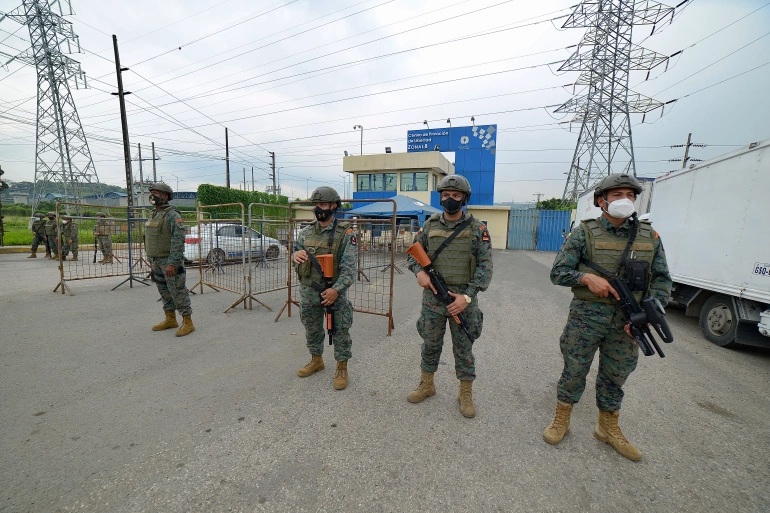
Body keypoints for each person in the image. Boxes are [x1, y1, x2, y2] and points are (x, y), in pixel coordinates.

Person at [543, 173, 672, 461]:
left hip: (629, 323)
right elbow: (558, 272)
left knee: (616, 376)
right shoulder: (583, 233)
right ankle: (561, 418)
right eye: (617, 195)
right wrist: (587, 278)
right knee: (574, 370)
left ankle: (607, 427)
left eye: (630, 195)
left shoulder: (648, 236)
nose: (625, 200)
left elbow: (662, 279)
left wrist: (652, 312)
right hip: (586, 318)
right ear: (601, 200)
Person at [405, 175, 493, 418]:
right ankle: (427, 384)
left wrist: (467, 297)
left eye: (456, 195)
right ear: (440, 196)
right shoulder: (430, 225)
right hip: (433, 297)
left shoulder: (478, 229)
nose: (450, 199)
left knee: (463, 347)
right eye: (446, 194)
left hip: (462, 299)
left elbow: (485, 267)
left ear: (464, 198)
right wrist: (419, 272)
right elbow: (412, 255)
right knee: (430, 343)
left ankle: (465, 392)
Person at [292, 186, 357, 390]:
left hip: (334, 292)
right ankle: (316, 359)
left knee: (340, 330)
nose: (319, 208)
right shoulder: (305, 232)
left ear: (334, 205)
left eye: (324, 204)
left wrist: (336, 290)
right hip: (309, 290)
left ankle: (341, 367)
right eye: (316, 204)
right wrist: (295, 257)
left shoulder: (346, 233)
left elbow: (349, 270)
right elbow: (296, 254)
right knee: (311, 327)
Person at [144, 182, 194, 337]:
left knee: (177, 291)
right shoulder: (155, 213)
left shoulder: (173, 215)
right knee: (164, 292)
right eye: (151, 192)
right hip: (156, 260)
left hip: (169, 261)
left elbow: (178, 240)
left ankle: (188, 321)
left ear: (165, 196)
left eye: (156, 193)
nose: (153, 195)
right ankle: (170, 319)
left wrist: (172, 263)